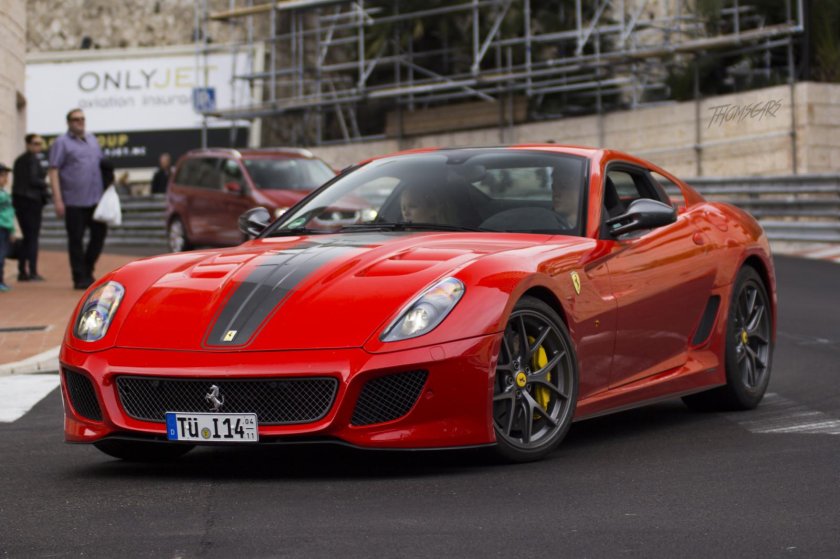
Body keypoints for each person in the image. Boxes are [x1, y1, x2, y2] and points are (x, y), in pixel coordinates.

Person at [48, 108, 107, 290]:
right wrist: (58, 199)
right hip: (73, 200)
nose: (80, 122)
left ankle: (87, 268)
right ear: (68, 122)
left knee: (99, 235)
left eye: (82, 119)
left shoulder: (92, 140)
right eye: (75, 119)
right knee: (76, 240)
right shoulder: (62, 143)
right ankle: (79, 277)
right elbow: (53, 170)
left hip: (95, 199)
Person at [12, 134, 50, 281]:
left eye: (40, 144)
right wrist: (44, 183)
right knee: (32, 238)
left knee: (28, 238)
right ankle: (31, 271)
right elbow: (34, 180)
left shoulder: (20, 160)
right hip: (31, 203)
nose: (38, 147)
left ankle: (23, 270)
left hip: (22, 202)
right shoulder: (31, 160)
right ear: (28, 144)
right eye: (35, 143)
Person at [0, 163, 15, 292]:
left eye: (6, 176)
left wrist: (12, 230)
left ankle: (1, 280)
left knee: (3, 255)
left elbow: (10, 212)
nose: (5, 179)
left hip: (6, 227)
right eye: (2, 176)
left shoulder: (4, 192)